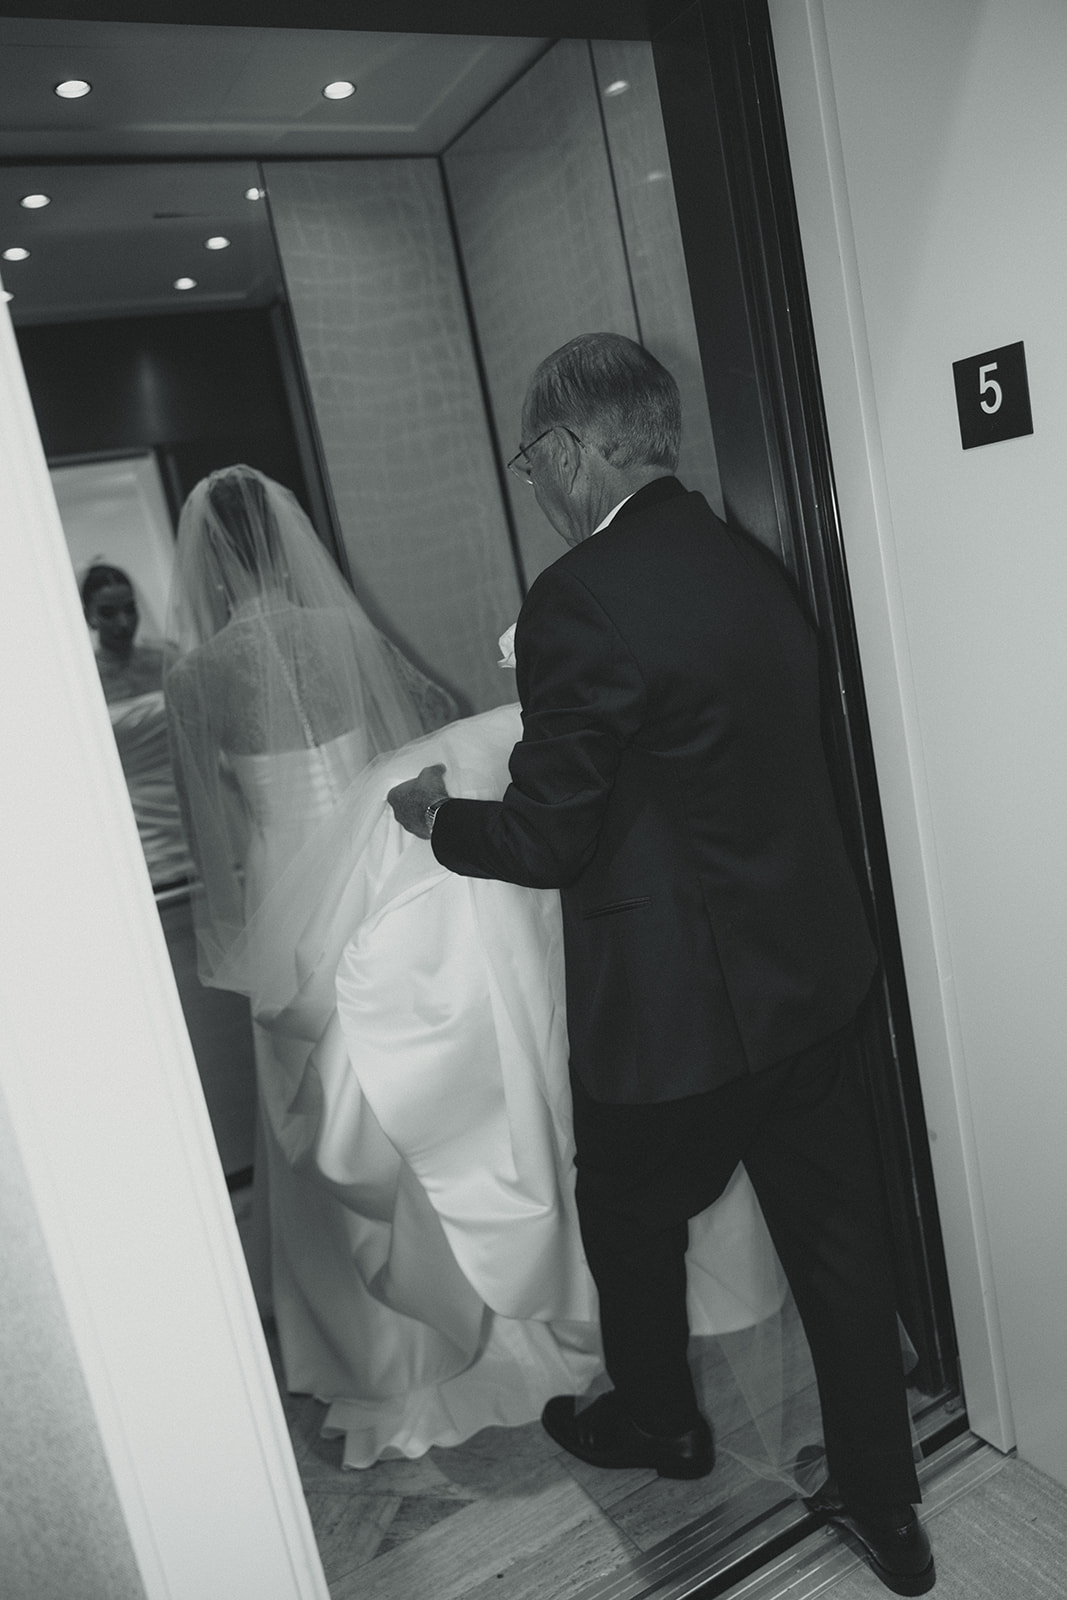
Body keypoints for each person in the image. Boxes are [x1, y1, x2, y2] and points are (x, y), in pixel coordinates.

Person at [387, 333, 934, 1593]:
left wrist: (434, 818)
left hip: (674, 1024)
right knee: (841, 1245)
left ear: (577, 451)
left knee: (629, 1220)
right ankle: (884, 1505)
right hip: (809, 982)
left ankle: (659, 1422)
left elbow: (542, 835)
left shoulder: (578, 596)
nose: (533, 485)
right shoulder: (754, 566)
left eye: (533, 460)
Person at [164, 462, 784, 1468]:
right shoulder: (344, 635)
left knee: (335, 1109)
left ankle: (386, 1347)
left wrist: (244, 960)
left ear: (208, 560)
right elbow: (425, 737)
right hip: (382, 871)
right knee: (440, 1090)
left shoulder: (195, 677)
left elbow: (210, 834)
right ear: (285, 540)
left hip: (292, 889)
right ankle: (509, 1307)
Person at [82, 562, 192, 889]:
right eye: (108, 612)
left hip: (186, 805)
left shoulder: (165, 659)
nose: (123, 622)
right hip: (129, 822)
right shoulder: (83, 678)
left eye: (130, 609)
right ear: (88, 615)